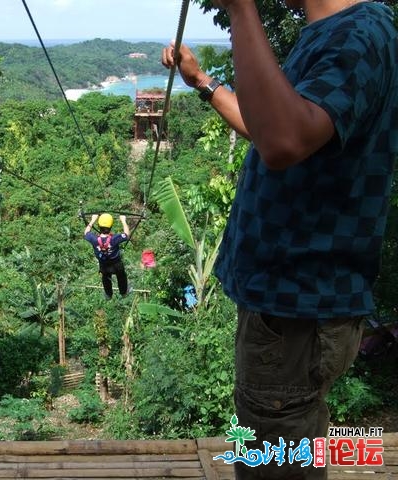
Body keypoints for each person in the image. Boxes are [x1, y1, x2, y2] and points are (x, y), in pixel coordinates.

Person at [163, 0, 398, 478]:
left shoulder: (360, 33)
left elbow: (283, 140)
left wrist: (240, 7)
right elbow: (270, 128)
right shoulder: (338, 33)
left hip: (295, 317)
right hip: (290, 314)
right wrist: (204, 84)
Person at [84, 213, 132, 299]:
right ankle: (124, 292)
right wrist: (123, 221)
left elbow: (86, 232)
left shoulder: (94, 239)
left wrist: (93, 220)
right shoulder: (114, 238)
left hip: (104, 265)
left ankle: (108, 294)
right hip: (116, 264)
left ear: (99, 226)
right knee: (121, 276)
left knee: (105, 278)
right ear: (110, 227)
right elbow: (126, 234)